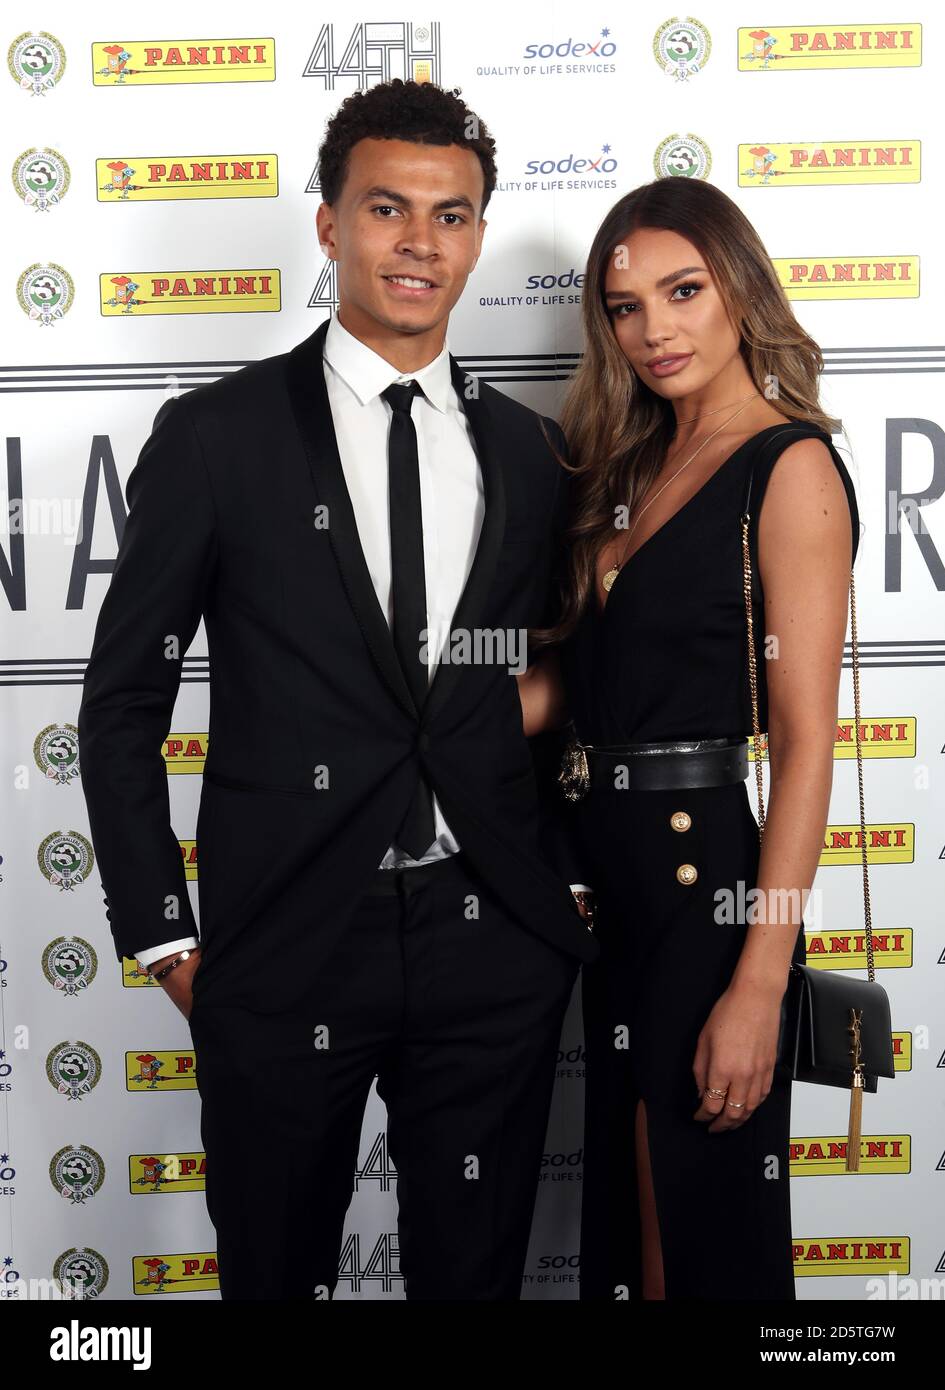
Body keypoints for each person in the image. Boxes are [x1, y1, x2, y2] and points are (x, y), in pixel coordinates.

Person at [77, 77, 597, 1301]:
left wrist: (558, 888)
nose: (420, 242)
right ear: (329, 225)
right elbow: (121, 705)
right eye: (386, 208)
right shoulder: (217, 438)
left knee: (474, 1283)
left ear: (477, 233)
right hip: (283, 942)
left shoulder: (528, 453)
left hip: (490, 944)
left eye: (452, 214)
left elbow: (556, 682)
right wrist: (170, 941)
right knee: (273, 1276)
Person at [516, 177, 860, 1300]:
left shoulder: (789, 466)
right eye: (625, 307)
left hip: (704, 883)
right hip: (601, 885)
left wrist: (759, 980)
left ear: (738, 291)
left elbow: (806, 743)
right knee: (631, 1221)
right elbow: (570, 688)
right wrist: (408, 714)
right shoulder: (624, 466)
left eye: (682, 290)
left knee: (693, 1217)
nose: (654, 329)